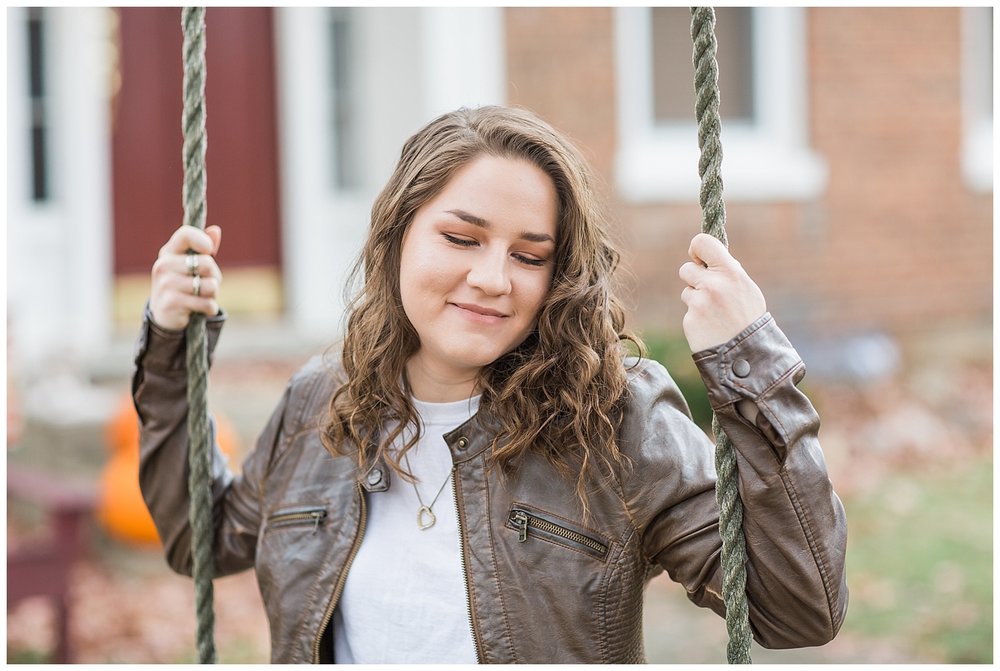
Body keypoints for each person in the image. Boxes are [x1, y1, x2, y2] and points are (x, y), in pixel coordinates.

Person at [134, 105, 848, 664]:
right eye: (461, 237)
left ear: (557, 275)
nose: (492, 278)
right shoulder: (323, 404)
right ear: (398, 234)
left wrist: (749, 363)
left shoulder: (616, 418)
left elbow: (799, 606)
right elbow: (202, 539)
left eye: (529, 254)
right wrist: (169, 347)